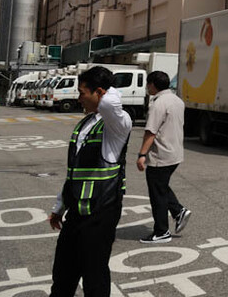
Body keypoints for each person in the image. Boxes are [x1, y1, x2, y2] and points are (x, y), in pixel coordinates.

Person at [47, 66, 132, 297]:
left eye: (82, 92)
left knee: (94, 277)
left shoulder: (118, 124)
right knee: (63, 274)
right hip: (76, 213)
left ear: (100, 92)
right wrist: (59, 207)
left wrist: (109, 88)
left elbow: (108, 105)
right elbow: (74, 172)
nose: (78, 98)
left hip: (100, 214)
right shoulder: (85, 124)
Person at [136, 70, 190, 244]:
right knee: (161, 186)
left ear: (152, 84)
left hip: (161, 155)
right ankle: (178, 211)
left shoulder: (157, 104)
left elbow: (151, 132)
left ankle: (161, 232)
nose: (147, 87)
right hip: (175, 153)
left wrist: (142, 154)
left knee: (157, 193)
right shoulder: (177, 100)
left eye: (148, 84)